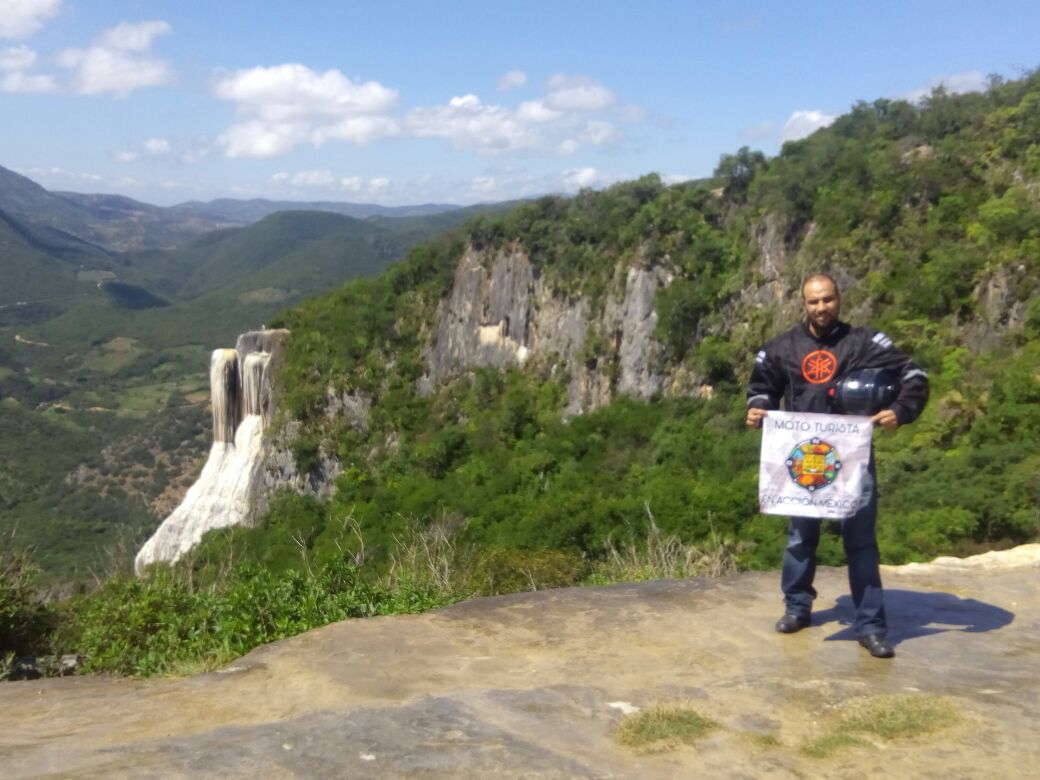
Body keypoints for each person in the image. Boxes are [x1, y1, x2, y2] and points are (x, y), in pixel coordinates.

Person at [745, 273, 929, 659]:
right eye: (813, 301)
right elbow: (762, 387)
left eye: (827, 299)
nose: (821, 308)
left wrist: (900, 410)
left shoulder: (864, 343)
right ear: (803, 304)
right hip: (802, 460)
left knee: (860, 542)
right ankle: (797, 608)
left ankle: (871, 626)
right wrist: (758, 408)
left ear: (839, 299)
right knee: (800, 538)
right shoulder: (782, 347)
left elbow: (913, 374)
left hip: (852, 458)